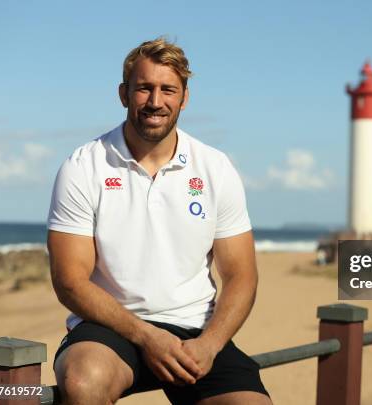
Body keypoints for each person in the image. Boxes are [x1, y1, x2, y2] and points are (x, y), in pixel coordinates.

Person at [47, 37, 271, 405]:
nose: (155, 101)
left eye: (168, 89)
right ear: (123, 94)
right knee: (82, 383)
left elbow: (241, 275)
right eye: (144, 88)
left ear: (184, 98)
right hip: (112, 329)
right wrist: (146, 336)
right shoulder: (83, 166)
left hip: (197, 330)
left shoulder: (215, 167)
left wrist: (210, 345)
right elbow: (69, 281)